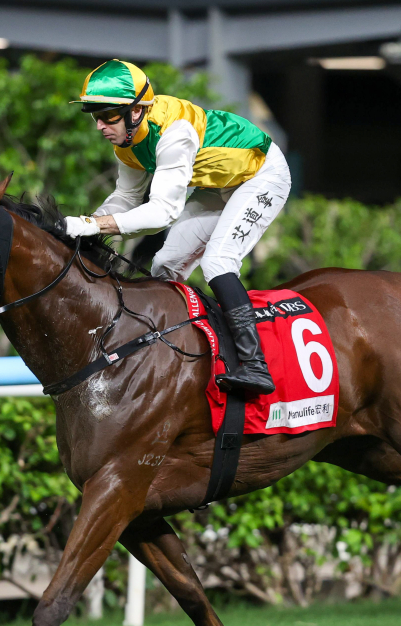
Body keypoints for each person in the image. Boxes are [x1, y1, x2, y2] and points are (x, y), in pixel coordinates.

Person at [61, 59, 291, 395]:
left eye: (108, 115)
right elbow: (125, 198)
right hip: (218, 184)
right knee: (165, 264)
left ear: (136, 111)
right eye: (95, 115)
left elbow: (163, 213)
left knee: (218, 262)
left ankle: (255, 365)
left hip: (261, 175)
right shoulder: (128, 141)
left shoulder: (174, 133)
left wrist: (94, 225)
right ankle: (164, 351)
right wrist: (86, 224)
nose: (99, 125)